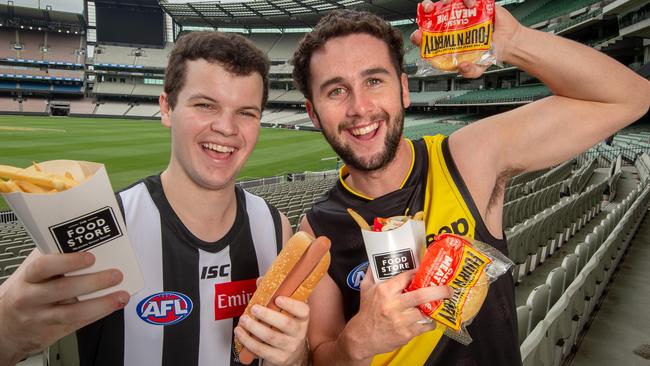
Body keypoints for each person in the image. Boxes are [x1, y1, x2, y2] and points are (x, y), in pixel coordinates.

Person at [290, 0, 650, 365]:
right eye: (336, 91)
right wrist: (356, 344)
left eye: (373, 80)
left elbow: (631, 98)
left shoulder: (466, 158)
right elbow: (321, 355)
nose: (360, 107)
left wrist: (512, 42)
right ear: (313, 113)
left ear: (403, 89)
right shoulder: (316, 230)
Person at [0, 32, 310, 366]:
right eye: (206, 105)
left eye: (246, 112)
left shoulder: (275, 226)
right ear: (166, 108)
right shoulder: (101, 221)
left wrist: (294, 356)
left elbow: (293, 359)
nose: (226, 127)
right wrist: (7, 333)